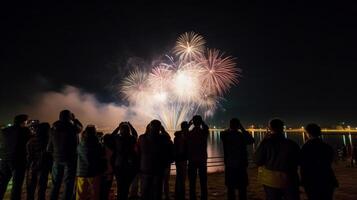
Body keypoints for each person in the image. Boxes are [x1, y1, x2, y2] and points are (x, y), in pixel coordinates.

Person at [255, 119, 300, 200]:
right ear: (282, 128)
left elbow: (258, 161)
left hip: (271, 181)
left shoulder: (266, 144)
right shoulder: (292, 144)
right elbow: (299, 160)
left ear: (269, 128)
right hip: (289, 179)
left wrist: (262, 142)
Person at [48, 110, 83, 200]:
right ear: (69, 117)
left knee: (55, 183)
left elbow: (49, 147)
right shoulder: (72, 127)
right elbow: (80, 128)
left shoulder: (53, 129)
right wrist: (75, 119)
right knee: (68, 183)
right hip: (70, 159)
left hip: (56, 159)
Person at [300, 123, 338, 200]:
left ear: (308, 133)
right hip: (327, 179)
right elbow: (329, 161)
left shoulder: (305, 147)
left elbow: (303, 165)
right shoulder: (327, 146)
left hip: (312, 181)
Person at [138, 120, 173, 200]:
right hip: (158, 169)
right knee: (157, 192)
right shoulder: (163, 138)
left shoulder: (142, 138)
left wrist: (148, 129)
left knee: (145, 191)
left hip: (145, 168)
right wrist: (163, 130)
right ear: (159, 128)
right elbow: (168, 138)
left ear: (150, 127)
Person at [220, 118, 254, 200]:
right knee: (242, 189)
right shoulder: (241, 136)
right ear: (238, 125)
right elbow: (251, 140)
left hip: (230, 165)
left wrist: (231, 127)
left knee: (230, 189)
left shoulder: (225, 135)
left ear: (230, 125)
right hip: (241, 165)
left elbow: (224, 132)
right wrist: (242, 128)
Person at [0, 114, 31, 200]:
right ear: (23, 121)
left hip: (4, 160)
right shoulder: (24, 130)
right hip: (18, 161)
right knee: (16, 185)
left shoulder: (4, 131)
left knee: (2, 183)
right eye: (27, 121)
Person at [76, 125, 104, 200]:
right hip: (94, 172)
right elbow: (101, 153)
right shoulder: (97, 144)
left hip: (81, 172)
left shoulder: (80, 144)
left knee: (81, 194)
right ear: (94, 133)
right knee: (94, 193)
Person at [113, 122, 139, 200]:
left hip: (119, 165)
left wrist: (118, 127)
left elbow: (112, 135)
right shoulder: (132, 139)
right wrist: (131, 125)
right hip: (129, 166)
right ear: (128, 131)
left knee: (120, 185)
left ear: (121, 131)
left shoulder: (117, 139)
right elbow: (135, 134)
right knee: (126, 186)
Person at [26, 122, 52, 200]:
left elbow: (29, 154)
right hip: (44, 165)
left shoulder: (30, 141)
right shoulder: (48, 140)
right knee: (42, 185)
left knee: (31, 186)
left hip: (32, 165)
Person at [186, 115, 209, 200]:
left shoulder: (190, 134)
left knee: (192, 182)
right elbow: (206, 128)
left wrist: (189, 124)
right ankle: (204, 197)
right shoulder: (204, 133)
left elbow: (184, 132)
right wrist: (202, 122)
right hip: (202, 159)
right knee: (203, 181)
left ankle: (193, 197)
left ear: (193, 122)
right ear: (200, 123)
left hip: (192, 160)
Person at [174, 121, 189, 200]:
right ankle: (181, 195)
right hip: (182, 159)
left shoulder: (177, 136)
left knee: (179, 177)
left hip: (178, 159)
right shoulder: (182, 137)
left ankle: (177, 194)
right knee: (182, 178)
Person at [100, 134, 115, 200]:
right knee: (106, 192)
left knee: (102, 192)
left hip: (102, 173)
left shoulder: (101, 148)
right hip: (109, 173)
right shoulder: (113, 149)